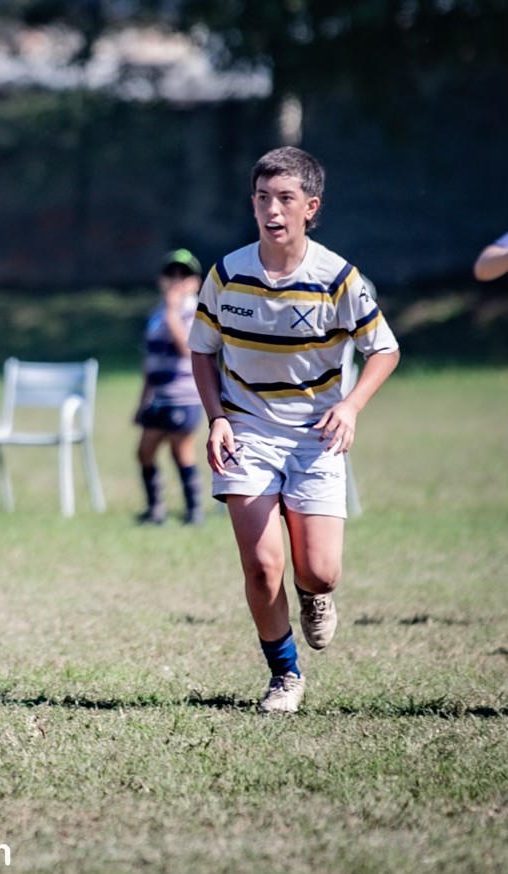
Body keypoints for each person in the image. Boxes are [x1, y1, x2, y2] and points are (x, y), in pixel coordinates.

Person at [187, 146, 400, 714]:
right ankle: (285, 676)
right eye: (262, 198)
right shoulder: (227, 274)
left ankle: (315, 595)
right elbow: (202, 352)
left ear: (311, 207)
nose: (271, 210)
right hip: (248, 430)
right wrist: (217, 419)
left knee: (320, 571)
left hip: (316, 435)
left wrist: (351, 406)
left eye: (285, 199)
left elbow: (384, 349)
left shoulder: (337, 277)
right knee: (261, 565)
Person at [132, 248, 205, 526]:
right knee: (145, 452)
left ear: (195, 283)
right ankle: (156, 508)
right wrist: (143, 401)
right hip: (159, 397)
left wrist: (173, 313)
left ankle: (193, 510)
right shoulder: (157, 314)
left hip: (184, 397)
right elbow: (150, 362)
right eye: (170, 274)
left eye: (183, 275)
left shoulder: (193, 311)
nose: (176, 280)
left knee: (181, 450)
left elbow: (187, 349)